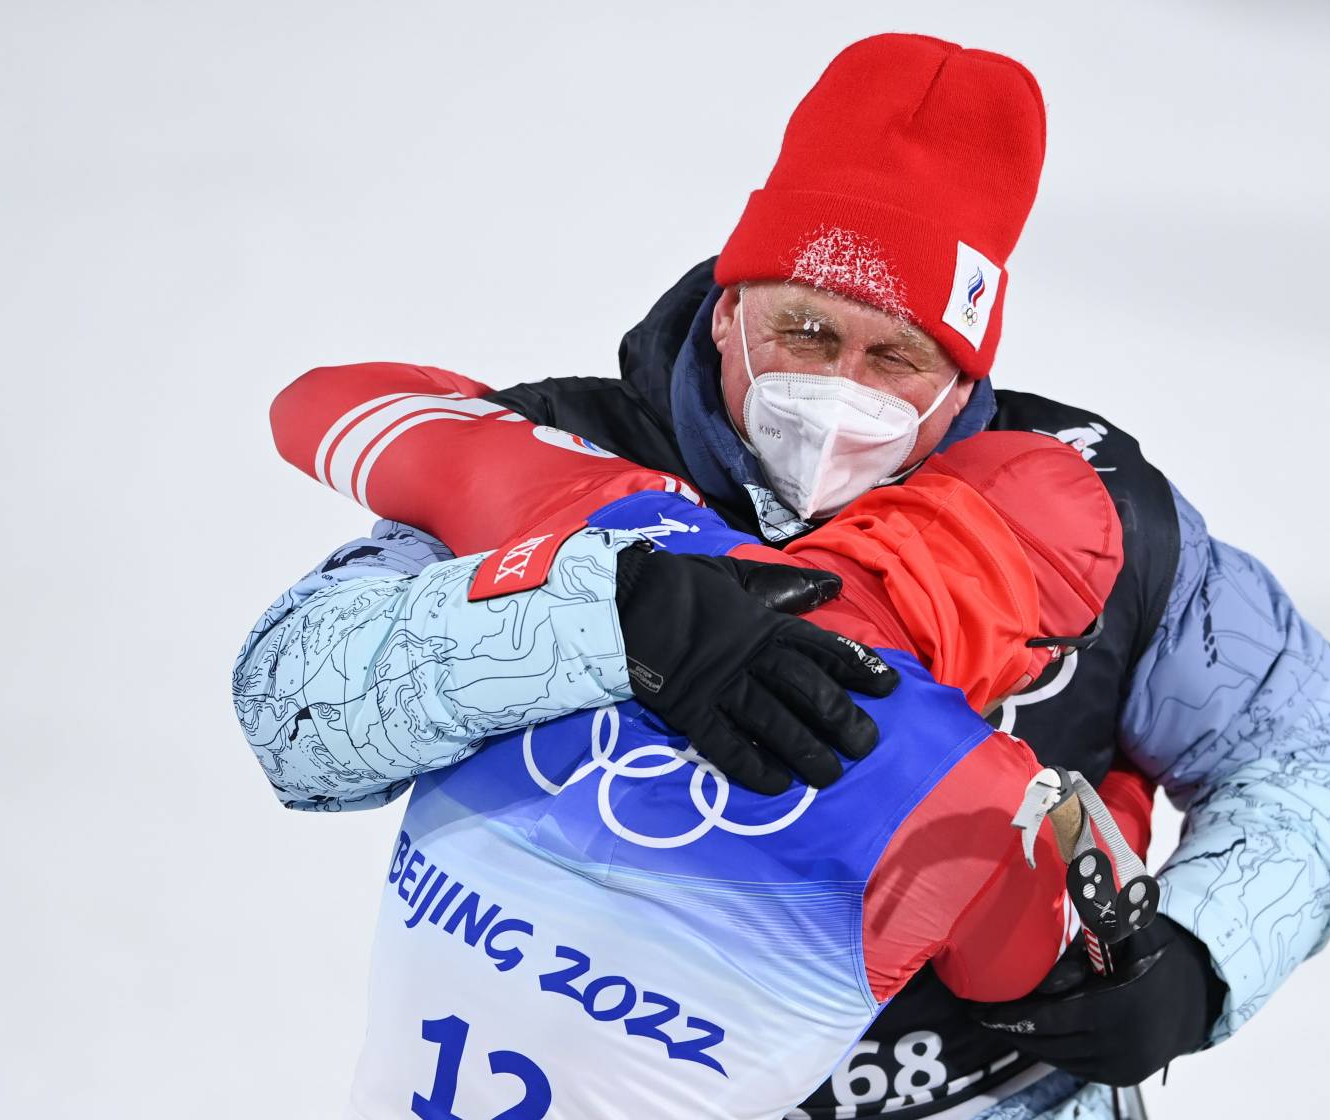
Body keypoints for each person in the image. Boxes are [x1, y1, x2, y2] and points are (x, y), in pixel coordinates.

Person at [234, 31, 1330, 1120]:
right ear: (729, 306)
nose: (839, 387)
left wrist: (1199, 957)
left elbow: (1307, 755)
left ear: (961, 376)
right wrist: (609, 620)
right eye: (802, 330)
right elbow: (294, 706)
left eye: (897, 356)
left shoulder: (1096, 518)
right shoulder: (565, 460)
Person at [245, 358, 1150, 1119]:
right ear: (1034, 659)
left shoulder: (623, 520)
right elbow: (1046, 976)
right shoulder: (989, 801)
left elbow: (311, 408)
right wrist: (1123, 800)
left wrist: (597, 564)